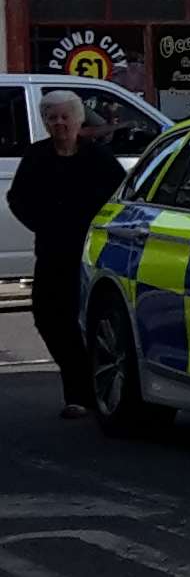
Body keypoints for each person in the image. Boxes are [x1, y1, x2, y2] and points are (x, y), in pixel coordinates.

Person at [6, 89, 126, 419]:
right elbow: (17, 199)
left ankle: (83, 394)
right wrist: (42, 222)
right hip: (52, 250)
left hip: (90, 252)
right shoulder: (36, 157)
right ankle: (81, 386)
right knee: (49, 317)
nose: (59, 124)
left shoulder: (98, 157)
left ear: (78, 120)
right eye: (52, 118)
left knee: (88, 318)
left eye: (65, 117)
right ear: (45, 122)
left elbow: (120, 198)